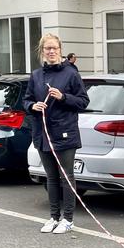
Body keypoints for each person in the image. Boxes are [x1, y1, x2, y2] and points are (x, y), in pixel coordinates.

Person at [23, 33, 90, 234]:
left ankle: (68, 219)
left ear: (60, 50)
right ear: (42, 52)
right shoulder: (36, 75)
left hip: (64, 133)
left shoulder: (71, 74)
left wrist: (63, 97)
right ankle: (54, 217)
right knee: (50, 177)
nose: (51, 52)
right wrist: (33, 106)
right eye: (47, 49)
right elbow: (25, 101)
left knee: (66, 177)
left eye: (54, 48)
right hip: (42, 133)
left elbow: (83, 101)